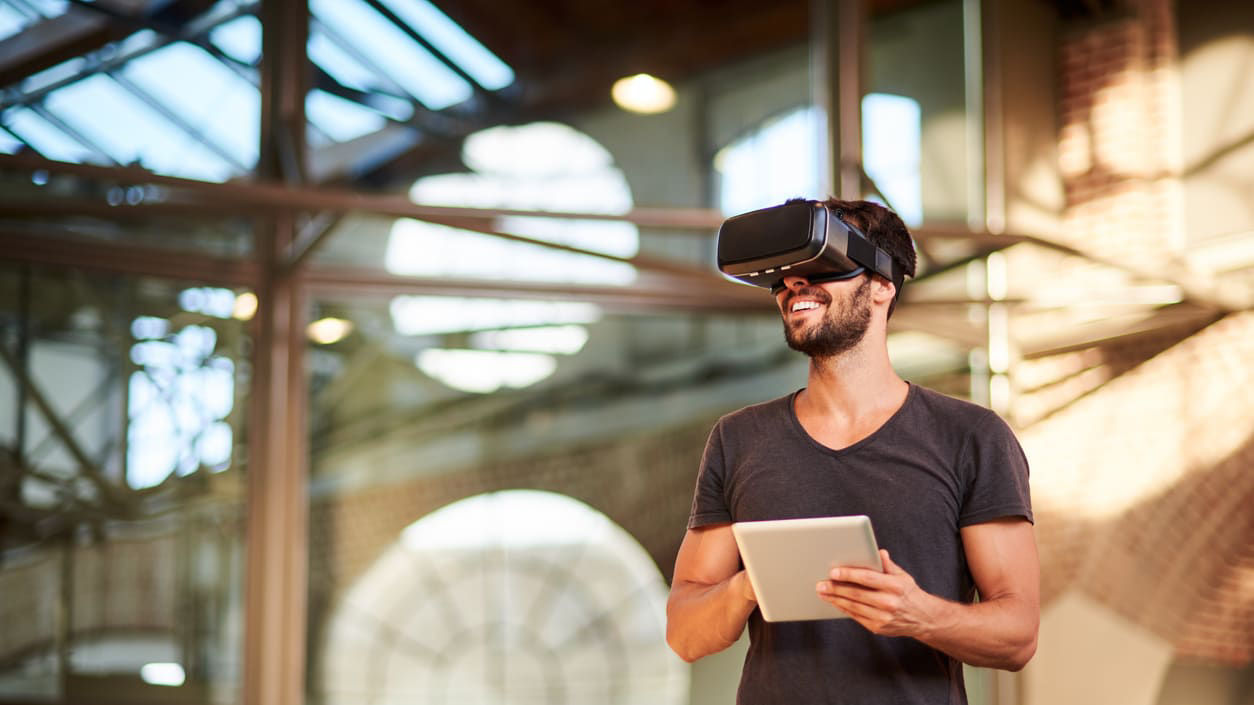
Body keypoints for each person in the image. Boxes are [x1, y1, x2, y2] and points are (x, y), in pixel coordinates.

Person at [666, 197, 1038, 704]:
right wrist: (749, 586)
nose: (796, 285)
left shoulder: (971, 437)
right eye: (786, 277)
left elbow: (1018, 635)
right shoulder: (739, 439)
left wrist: (919, 613)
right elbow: (684, 634)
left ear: (883, 285)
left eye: (819, 268)